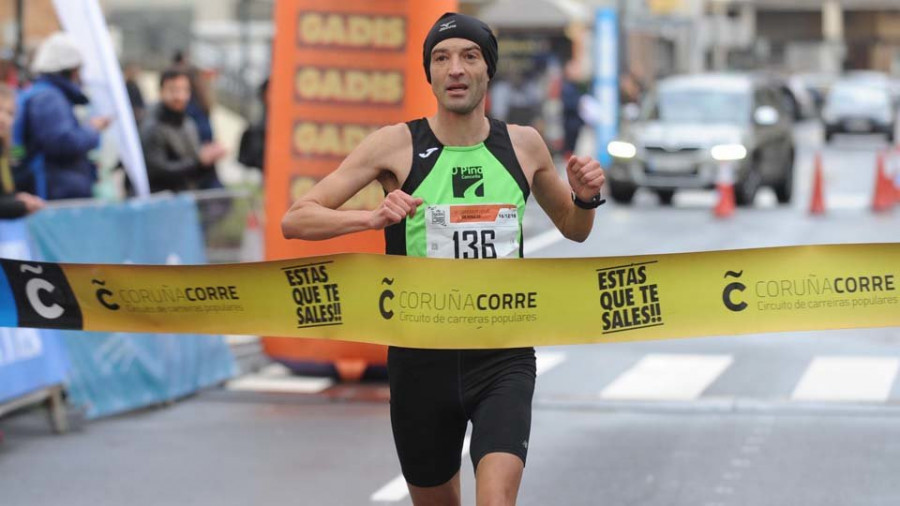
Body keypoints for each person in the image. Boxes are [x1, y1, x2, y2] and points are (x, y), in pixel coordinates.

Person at [282, 12, 605, 505]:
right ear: (429, 74)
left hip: (502, 355)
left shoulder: (523, 145)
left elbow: (574, 231)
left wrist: (583, 200)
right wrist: (369, 219)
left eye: (469, 56)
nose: (455, 68)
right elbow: (297, 219)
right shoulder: (395, 145)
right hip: (419, 361)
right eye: (441, 58)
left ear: (487, 70)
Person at [15, 32, 111, 200]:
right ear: (72, 69)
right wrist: (92, 129)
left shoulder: (47, 94)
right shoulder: (50, 98)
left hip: (57, 186)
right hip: (55, 190)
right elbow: (61, 143)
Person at [140, 68, 226, 193]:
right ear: (161, 91)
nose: (179, 96)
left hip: (185, 197)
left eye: (184, 90)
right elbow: (158, 170)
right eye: (173, 90)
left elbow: (192, 160)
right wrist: (199, 161)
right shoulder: (151, 126)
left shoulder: (188, 123)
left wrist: (207, 157)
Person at [0, 84, 43, 218]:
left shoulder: (5, 150)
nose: (3, 118)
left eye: (10, 113)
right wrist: (20, 205)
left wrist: (18, 198)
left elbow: (5, 192)